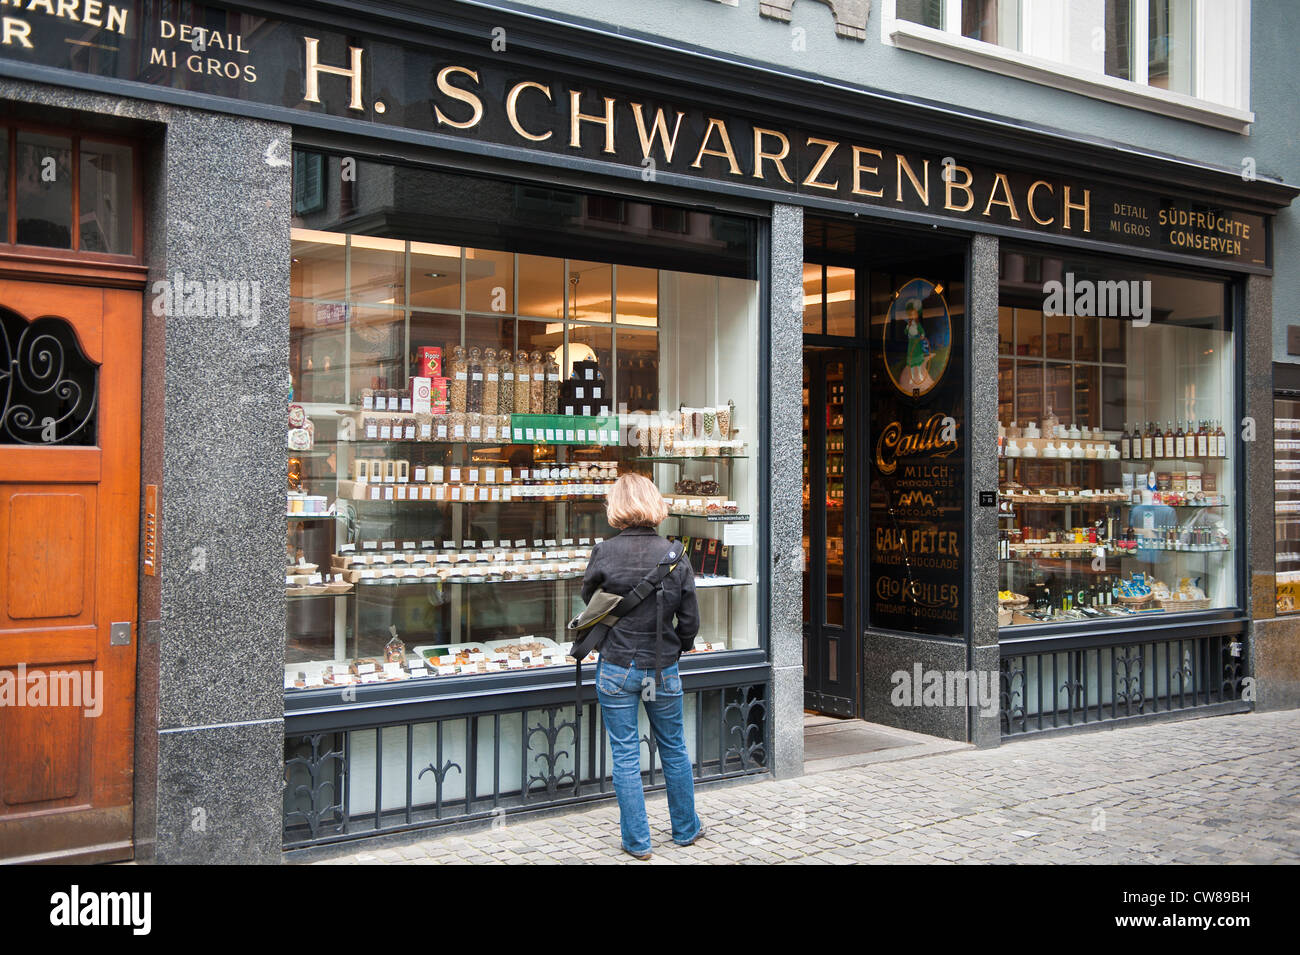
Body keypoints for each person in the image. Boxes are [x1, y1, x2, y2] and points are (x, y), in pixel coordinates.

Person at [581, 471, 703, 860]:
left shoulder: (604, 552)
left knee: (626, 756)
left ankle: (637, 842)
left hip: (617, 665)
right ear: (655, 504)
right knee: (674, 748)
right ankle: (685, 829)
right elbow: (690, 620)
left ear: (616, 506)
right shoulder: (675, 555)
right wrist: (677, 647)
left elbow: (591, 602)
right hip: (661, 667)